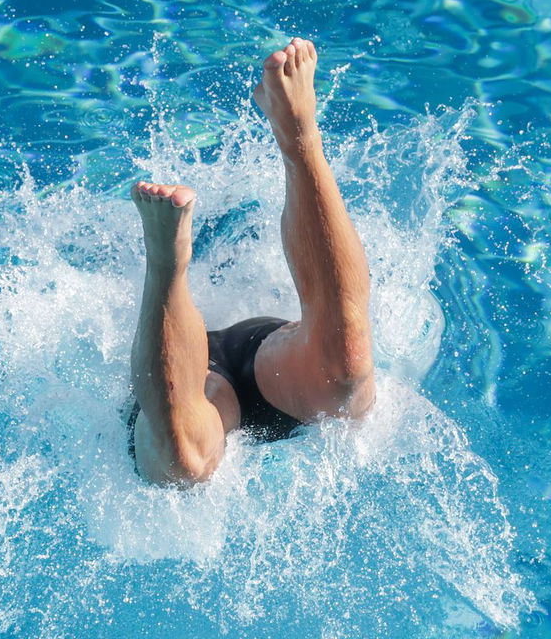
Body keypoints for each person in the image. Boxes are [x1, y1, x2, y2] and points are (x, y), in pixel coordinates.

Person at [127, 39, 375, 485]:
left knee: (345, 377)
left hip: (264, 364)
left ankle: (298, 137)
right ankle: (165, 263)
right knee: (183, 463)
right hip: (181, 393)